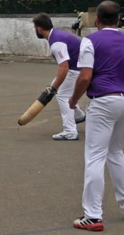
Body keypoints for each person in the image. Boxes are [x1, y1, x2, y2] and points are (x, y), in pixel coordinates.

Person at [68, 1, 124, 232]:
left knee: (95, 156)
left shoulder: (90, 41)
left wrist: (73, 100)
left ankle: (92, 216)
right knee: (116, 151)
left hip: (103, 101)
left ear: (97, 20)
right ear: (118, 20)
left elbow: (85, 77)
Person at [33, 13, 86, 141]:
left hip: (77, 69)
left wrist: (53, 89)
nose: (35, 30)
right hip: (81, 67)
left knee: (62, 95)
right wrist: (54, 85)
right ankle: (77, 115)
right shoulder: (56, 35)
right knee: (59, 87)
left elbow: (64, 67)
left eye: (35, 27)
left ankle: (70, 131)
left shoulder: (56, 42)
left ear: (39, 28)